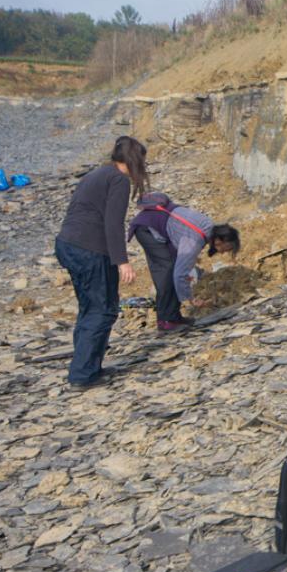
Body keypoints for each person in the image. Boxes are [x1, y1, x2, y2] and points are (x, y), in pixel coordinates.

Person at [54, 136, 149, 388]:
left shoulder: (96, 174)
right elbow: (113, 223)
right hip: (90, 249)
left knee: (89, 308)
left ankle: (88, 368)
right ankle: (83, 375)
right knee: (103, 309)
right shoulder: (118, 179)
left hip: (68, 244)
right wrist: (122, 261)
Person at [127, 192, 240, 332]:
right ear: (218, 241)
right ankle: (165, 321)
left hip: (156, 223)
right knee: (167, 271)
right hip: (147, 229)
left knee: (173, 267)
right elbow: (179, 275)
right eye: (225, 248)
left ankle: (174, 316)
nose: (222, 252)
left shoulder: (208, 226)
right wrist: (190, 299)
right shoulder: (195, 241)